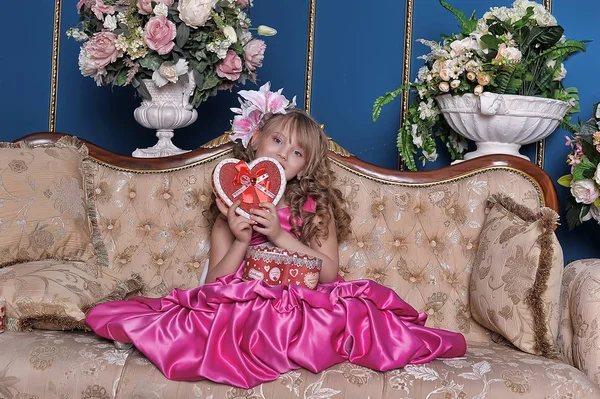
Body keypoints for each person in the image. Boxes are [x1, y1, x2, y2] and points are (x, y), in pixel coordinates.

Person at [85, 83, 467, 389]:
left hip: (302, 302)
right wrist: (240, 239)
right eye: (278, 141)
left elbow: (330, 273)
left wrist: (281, 235)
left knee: (354, 311)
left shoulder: (313, 207)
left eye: (298, 152)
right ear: (255, 141)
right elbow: (216, 284)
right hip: (248, 300)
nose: (285, 154)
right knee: (230, 315)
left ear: (304, 168)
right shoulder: (231, 206)